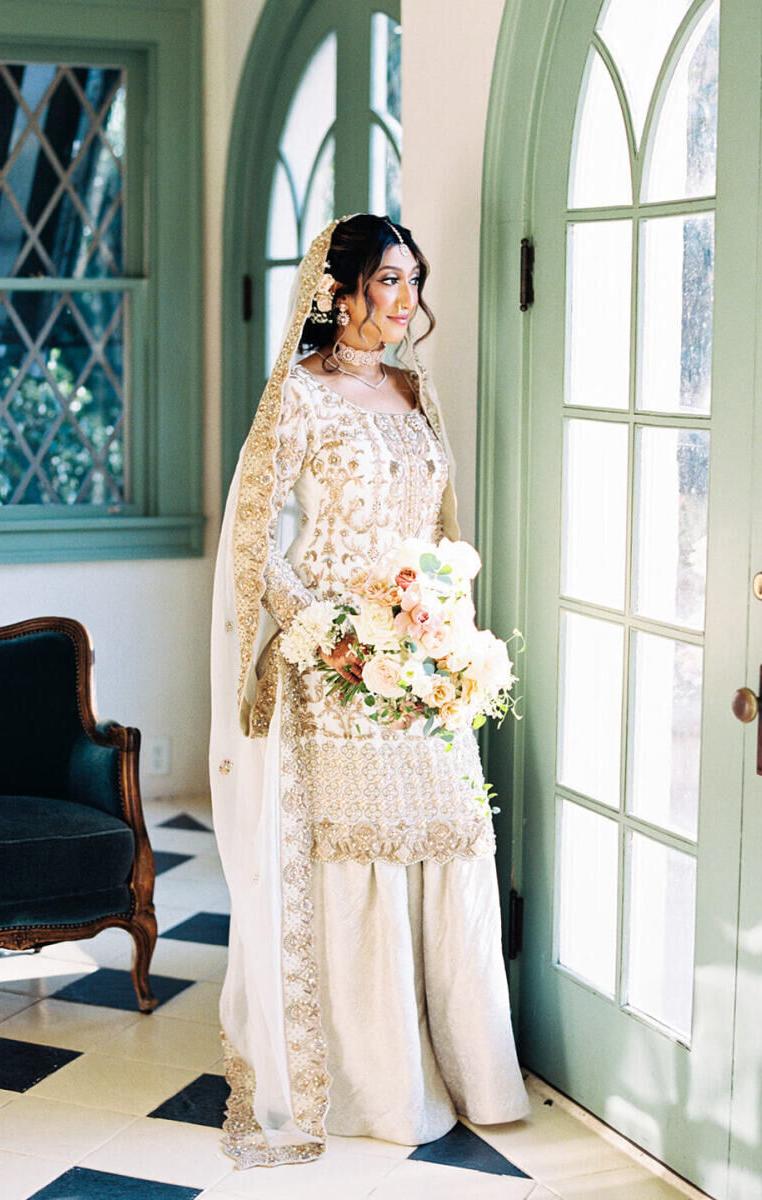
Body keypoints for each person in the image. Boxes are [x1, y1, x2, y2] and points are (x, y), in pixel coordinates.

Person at [209, 213, 528, 1169]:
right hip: (336, 668)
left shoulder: (413, 390)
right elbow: (257, 544)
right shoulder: (298, 399)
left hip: (424, 663)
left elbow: (437, 533)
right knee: (358, 865)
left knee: (447, 848)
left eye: (412, 283)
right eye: (387, 281)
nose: (405, 302)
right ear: (335, 289)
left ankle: (472, 1071)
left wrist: (445, 637)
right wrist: (328, 636)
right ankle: (376, 1084)